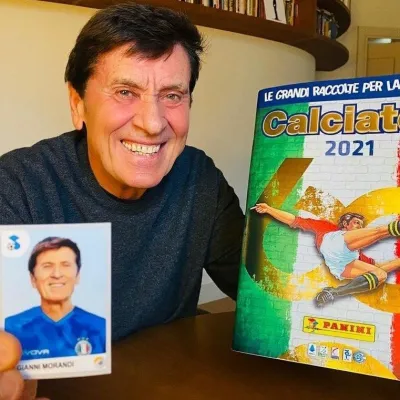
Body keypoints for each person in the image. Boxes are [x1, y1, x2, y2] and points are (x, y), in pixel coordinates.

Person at [0, 2, 244, 398]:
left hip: (169, 386)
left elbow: (262, 293)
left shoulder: (199, 179)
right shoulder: (17, 186)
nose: (152, 122)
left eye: (172, 95)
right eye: (125, 92)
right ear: (78, 104)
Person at [252, 203, 400, 307]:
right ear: (345, 224)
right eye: (356, 223)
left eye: (361, 225)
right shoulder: (327, 228)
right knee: (379, 232)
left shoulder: (357, 252)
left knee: (381, 274)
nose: (359, 227)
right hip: (332, 242)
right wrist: (269, 209)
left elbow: (381, 267)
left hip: (339, 265)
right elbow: (293, 220)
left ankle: (334, 293)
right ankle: (396, 227)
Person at [5, 237, 106, 361]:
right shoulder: (11, 327)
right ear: (33, 279)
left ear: (77, 276)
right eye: (47, 266)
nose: (57, 274)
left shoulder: (100, 327)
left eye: (65, 265)